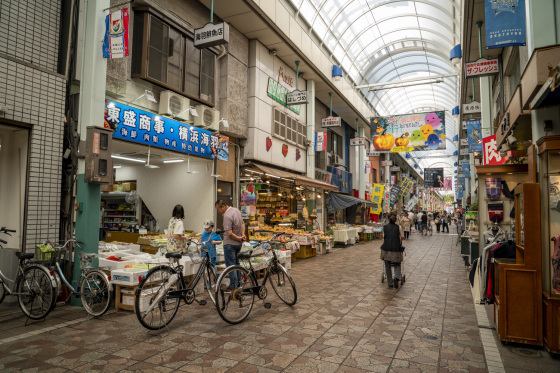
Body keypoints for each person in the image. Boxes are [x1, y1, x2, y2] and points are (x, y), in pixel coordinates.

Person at [215, 200, 246, 288]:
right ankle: (238, 284)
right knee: (237, 264)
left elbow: (229, 233)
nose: (219, 212)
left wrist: (238, 237)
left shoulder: (227, 216)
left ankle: (234, 286)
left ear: (223, 206)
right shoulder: (237, 210)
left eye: (218, 209)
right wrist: (242, 235)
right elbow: (243, 223)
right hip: (238, 244)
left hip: (229, 244)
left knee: (231, 266)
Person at [380, 212, 404, 289]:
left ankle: (390, 283)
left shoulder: (385, 227)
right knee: (397, 264)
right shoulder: (399, 227)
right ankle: (396, 278)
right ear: (396, 219)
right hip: (396, 249)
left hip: (386, 249)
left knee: (387, 265)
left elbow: (383, 237)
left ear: (388, 219)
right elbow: (402, 237)